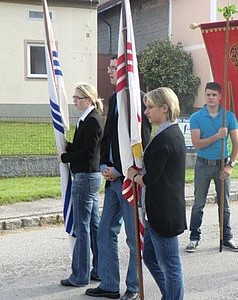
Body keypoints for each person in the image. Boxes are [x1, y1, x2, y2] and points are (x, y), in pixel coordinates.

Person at [85, 56, 151, 300]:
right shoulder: (113, 99)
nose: (110, 71)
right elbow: (108, 138)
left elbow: (142, 144)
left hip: (129, 181)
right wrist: (104, 164)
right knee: (105, 232)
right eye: (110, 68)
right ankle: (110, 285)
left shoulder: (138, 100)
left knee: (134, 238)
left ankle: (133, 287)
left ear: (126, 71)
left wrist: (123, 172)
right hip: (111, 179)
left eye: (115, 68)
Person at [128, 87, 187, 300]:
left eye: (150, 107)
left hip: (164, 212)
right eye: (146, 107)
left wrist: (133, 175)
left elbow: (150, 179)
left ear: (165, 108)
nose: (146, 112)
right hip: (158, 209)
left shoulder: (166, 138)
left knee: (171, 265)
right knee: (150, 258)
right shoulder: (167, 133)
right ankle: (169, 295)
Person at [186, 82, 238, 253]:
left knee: (224, 205)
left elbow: (236, 144)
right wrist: (217, 136)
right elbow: (197, 144)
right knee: (198, 204)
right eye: (208, 94)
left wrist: (230, 165)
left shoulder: (229, 117)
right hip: (202, 164)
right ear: (205, 95)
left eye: (214, 95)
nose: (211, 98)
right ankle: (194, 237)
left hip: (222, 165)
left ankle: (227, 237)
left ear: (220, 96)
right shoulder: (196, 117)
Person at [59, 83, 103, 287]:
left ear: (89, 99)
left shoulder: (93, 120)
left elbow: (88, 152)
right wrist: (67, 145)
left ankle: (80, 275)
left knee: (82, 227)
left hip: (85, 177)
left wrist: (65, 156)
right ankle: (99, 270)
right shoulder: (85, 119)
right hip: (88, 177)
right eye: (74, 97)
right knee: (93, 225)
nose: (75, 101)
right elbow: (82, 146)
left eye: (78, 97)